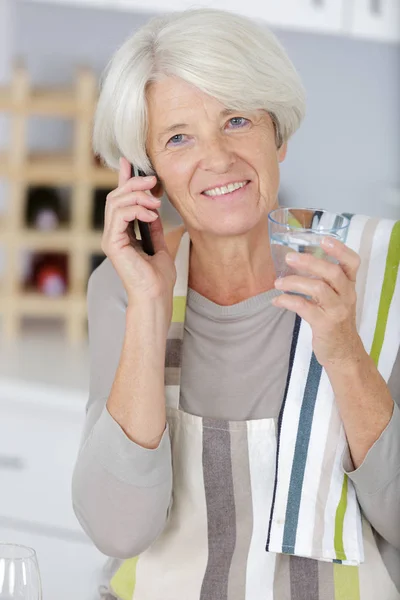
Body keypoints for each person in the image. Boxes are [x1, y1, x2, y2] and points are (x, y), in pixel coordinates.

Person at [72, 8, 400, 599]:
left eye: (238, 120)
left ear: (279, 132)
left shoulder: (385, 267)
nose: (218, 157)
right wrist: (149, 307)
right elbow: (118, 529)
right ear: (148, 176)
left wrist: (345, 353)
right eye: (178, 138)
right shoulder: (122, 288)